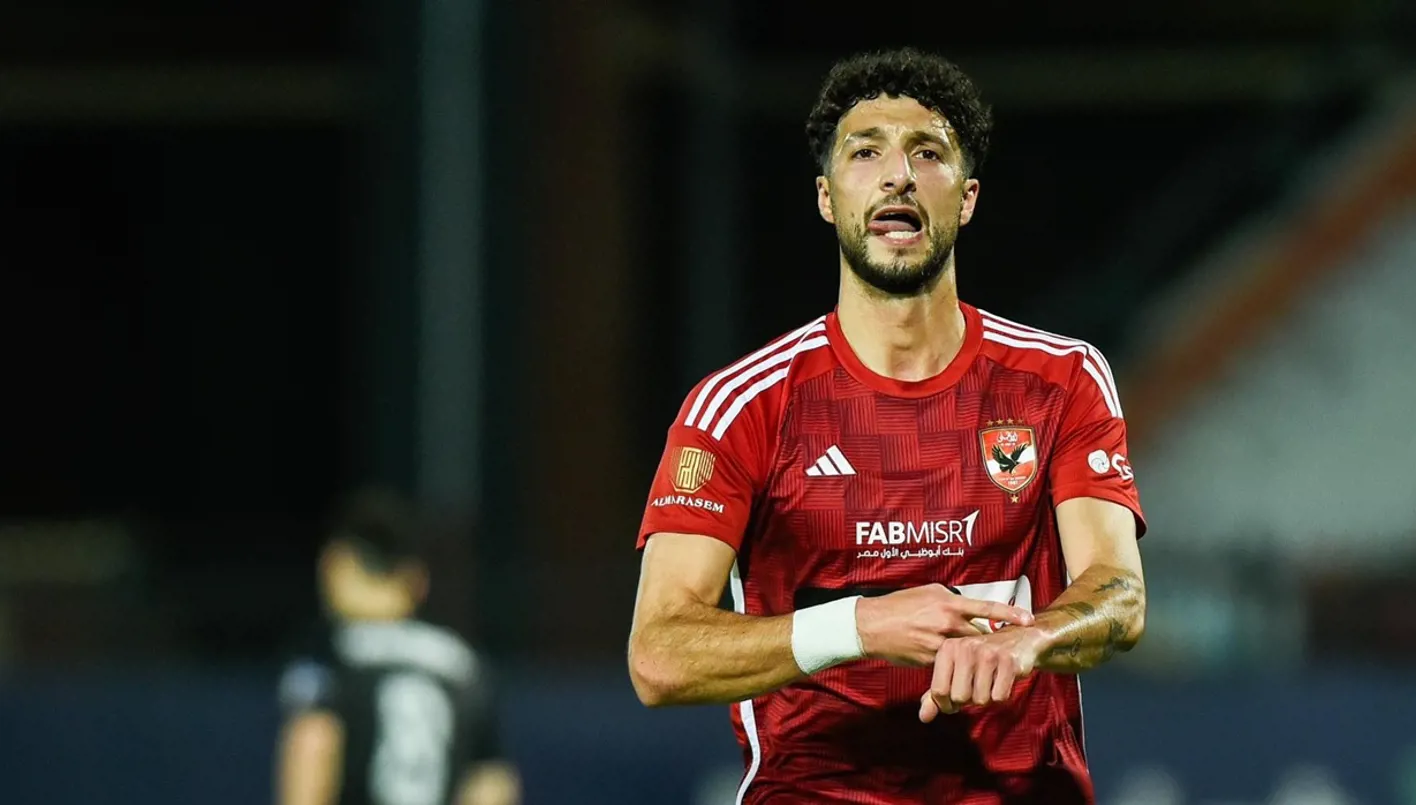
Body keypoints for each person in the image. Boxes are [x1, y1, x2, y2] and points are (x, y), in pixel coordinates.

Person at [627, 46, 1147, 804]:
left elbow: (1119, 594)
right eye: (865, 152)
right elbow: (659, 654)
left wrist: (1030, 639)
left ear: (966, 199)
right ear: (826, 197)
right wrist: (860, 626)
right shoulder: (743, 406)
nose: (897, 174)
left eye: (927, 153)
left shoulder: (1059, 380)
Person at [275, 487, 520, 805]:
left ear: (337, 564)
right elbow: (491, 784)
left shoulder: (332, 650)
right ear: (417, 579)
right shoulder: (462, 663)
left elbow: (314, 743)